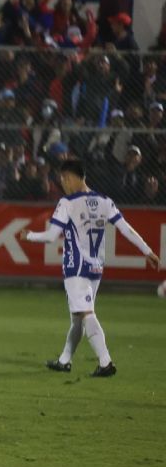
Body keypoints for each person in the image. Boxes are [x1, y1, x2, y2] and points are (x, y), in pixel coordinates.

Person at [17, 159, 160, 377]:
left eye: (64, 179)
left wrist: (29, 235)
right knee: (77, 317)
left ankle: (105, 362)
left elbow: (51, 236)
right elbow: (126, 229)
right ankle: (65, 360)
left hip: (75, 268)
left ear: (72, 177)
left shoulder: (68, 202)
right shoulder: (104, 201)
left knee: (86, 314)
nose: (63, 183)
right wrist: (147, 250)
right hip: (95, 268)